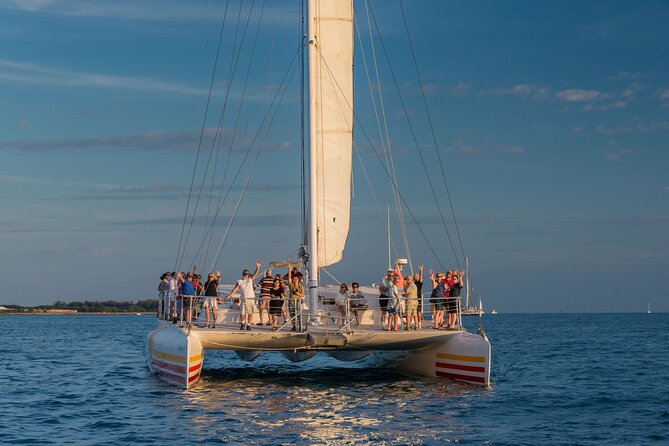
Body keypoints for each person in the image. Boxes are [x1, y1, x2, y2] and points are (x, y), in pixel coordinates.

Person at [226, 261, 262, 331]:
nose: (245, 275)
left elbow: (255, 274)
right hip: (243, 299)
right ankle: (242, 324)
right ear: (242, 274)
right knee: (242, 313)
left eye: (247, 274)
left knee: (250, 313)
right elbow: (235, 289)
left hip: (251, 299)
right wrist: (229, 295)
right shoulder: (239, 281)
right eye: (244, 274)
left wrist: (258, 267)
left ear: (248, 275)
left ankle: (248, 324)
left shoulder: (250, 280)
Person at [287, 264, 305, 331]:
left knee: (298, 314)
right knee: (292, 314)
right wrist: (289, 269)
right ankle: (294, 326)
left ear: (298, 279)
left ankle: (300, 326)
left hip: (298, 301)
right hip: (291, 302)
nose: (295, 279)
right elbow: (289, 278)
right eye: (294, 279)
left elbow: (302, 295)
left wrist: (298, 293)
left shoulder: (301, 286)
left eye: (296, 278)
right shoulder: (291, 285)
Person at [414, 264, 424, 328]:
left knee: (419, 312)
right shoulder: (412, 284)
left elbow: (420, 279)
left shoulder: (419, 283)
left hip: (418, 299)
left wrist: (421, 271)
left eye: (417, 276)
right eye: (415, 276)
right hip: (413, 299)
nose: (416, 277)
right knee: (414, 313)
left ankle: (419, 323)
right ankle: (416, 324)